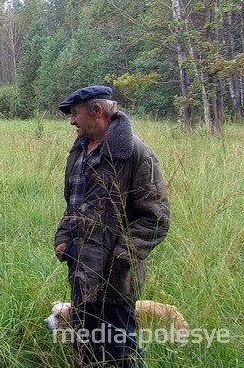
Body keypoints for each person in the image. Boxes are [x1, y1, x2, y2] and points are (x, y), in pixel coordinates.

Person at [54, 85, 170, 367]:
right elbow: (74, 203)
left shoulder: (135, 153)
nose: (72, 121)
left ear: (97, 111)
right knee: (84, 345)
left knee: (121, 349)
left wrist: (119, 258)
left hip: (115, 275)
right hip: (80, 266)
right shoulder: (78, 151)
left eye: (76, 113)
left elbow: (156, 218)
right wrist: (64, 237)